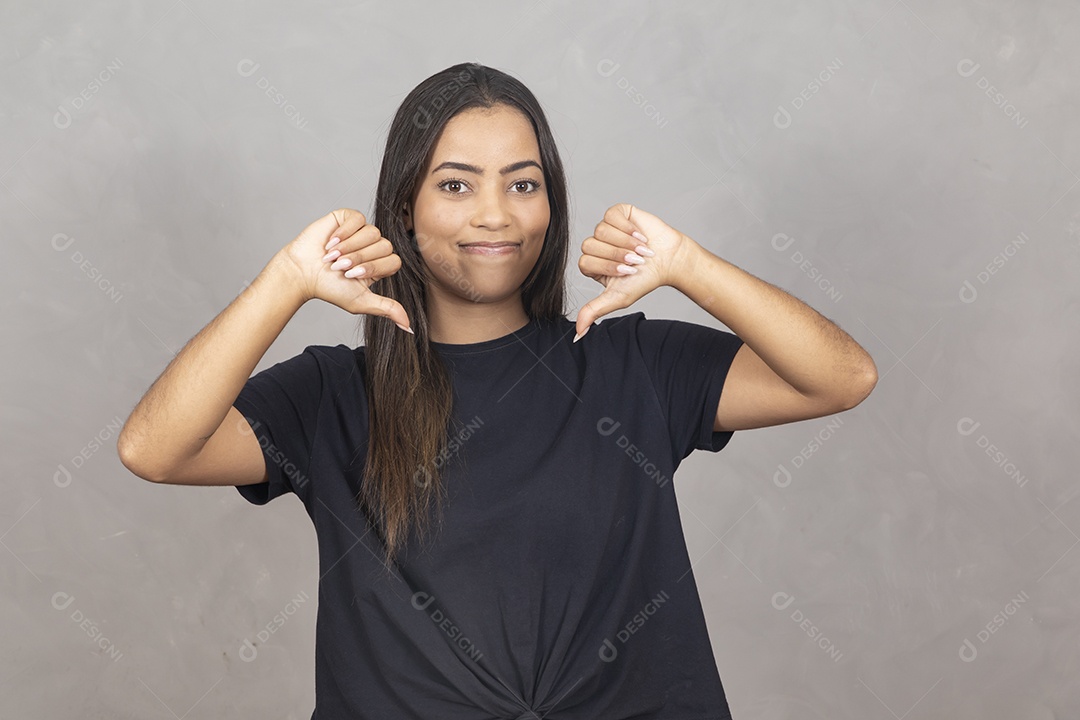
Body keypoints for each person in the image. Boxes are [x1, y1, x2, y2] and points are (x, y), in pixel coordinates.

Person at [117, 62, 877, 720]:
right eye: (456, 184)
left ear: (551, 206)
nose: (495, 214)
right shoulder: (331, 395)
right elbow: (153, 449)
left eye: (523, 184)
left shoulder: (628, 363)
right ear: (405, 212)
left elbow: (843, 377)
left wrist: (686, 263)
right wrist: (285, 281)